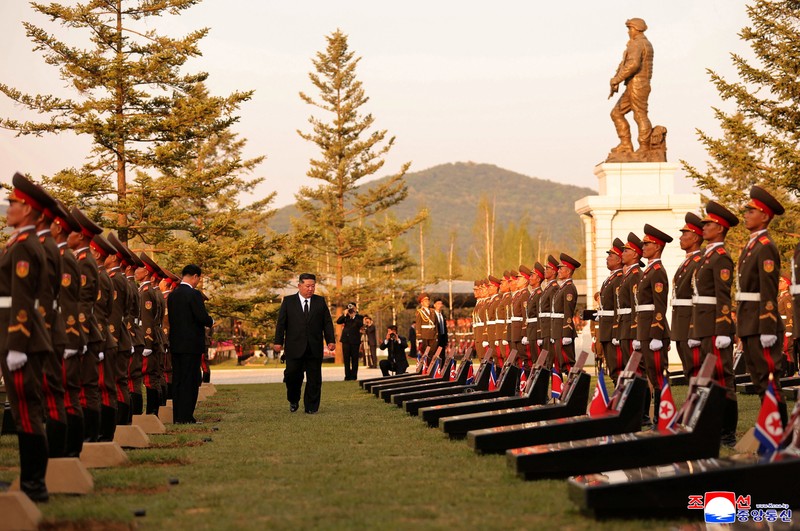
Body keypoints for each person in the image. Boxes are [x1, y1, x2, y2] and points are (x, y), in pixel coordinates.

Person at [0, 173, 54, 502]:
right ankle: (32, 483)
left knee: (26, 412)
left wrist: (16, 345)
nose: (8, 208)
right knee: (25, 412)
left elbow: (22, 298)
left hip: (22, 340)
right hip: (22, 337)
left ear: (29, 210)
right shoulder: (22, 243)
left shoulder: (24, 247)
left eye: (13, 204)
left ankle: (34, 485)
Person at [737, 186, 788, 427]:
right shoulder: (752, 246)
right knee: (759, 380)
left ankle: (780, 431)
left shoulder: (765, 246)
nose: (746, 215)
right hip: (750, 321)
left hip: (761, 323)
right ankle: (771, 428)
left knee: (769, 380)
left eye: (751, 211)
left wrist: (768, 326)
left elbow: (768, 289)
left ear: (765, 216)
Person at [690, 201, 738, 446]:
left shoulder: (720, 258)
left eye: (708, 224)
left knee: (723, 377)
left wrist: (722, 329)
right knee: (709, 377)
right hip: (704, 324)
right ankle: (714, 425)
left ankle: (727, 432)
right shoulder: (707, 257)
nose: (704, 227)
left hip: (715, 326)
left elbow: (723, 296)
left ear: (720, 228)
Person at [273, 273, 335, 414]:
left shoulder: (320, 301)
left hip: (314, 346)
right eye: (307, 286)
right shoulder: (288, 302)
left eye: (313, 286)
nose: (310, 289)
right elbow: (281, 324)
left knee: (314, 379)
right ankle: (293, 399)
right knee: (292, 376)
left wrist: (330, 340)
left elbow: (327, 322)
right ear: (299, 286)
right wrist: (278, 342)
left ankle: (311, 407)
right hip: (294, 347)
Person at [633, 224, 673, 427]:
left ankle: (662, 417)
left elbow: (660, 305)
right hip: (645, 329)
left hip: (653, 331)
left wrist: (656, 334)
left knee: (658, 376)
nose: (643, 247)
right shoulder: (648, 271)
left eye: (646, 244)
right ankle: (658, 417)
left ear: (657, 247)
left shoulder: (657, 271)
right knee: (651, 373)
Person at [167, 264, 214, 424]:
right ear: (195, 276)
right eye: (198, 279)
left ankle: (177, 416)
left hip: (176, 343)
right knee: (191, 381)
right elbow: (201, 317)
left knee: (178, 380)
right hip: (191, 345)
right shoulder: (193, 294)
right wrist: (211, 321)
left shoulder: (173, 295)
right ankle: (186, 416)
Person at [609, 17, 654, 155]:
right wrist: (617, 79)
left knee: (640, 115)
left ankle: (644, 147)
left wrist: (617, 79)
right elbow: (627, 64)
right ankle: (625, 144)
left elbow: (633, 65)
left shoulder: (638, 44)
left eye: (630, 28)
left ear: (636, 29)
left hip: (638, 84)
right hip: (634, 84)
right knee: (616, 113)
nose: (629, 32)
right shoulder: (639, 43)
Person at [672, 213, 704, 382]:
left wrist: (695, 329)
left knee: (696, 371)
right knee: (689, 371)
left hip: (690, 323)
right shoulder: (687, 262)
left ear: (696, 238)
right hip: (681, 322)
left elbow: (698, 297)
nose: (681, 237)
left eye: (685, 234)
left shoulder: (698, 261)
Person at [598, 238, 624, 381]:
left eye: (611, 256)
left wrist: (616, 331)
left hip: (612, 329)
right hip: (605, 328)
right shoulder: (610, 279)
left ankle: (620, 392)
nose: (607, 258)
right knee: (612, 368)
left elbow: (618, 306)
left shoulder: (619, 278)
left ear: (619, 260)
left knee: (617, 366)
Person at [551, 253, 581, 372]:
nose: (558, 271)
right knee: (560, 363)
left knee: (567, 363)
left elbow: (568, 311)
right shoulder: (563, 287)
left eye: (561, 269)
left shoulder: (569, 288)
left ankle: (573, 384)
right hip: (558, 329)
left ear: (568, 272)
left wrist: (567, 333)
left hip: (563, 330)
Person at [336, 301, 364, 381]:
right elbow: (338, 321)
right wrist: (345, 314)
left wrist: (354, 316)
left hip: (355, 341)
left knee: (355, 359)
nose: (351, 310)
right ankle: (347, 376)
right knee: (346, 359)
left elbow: (360, 324)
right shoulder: (346, 317)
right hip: (346, 340)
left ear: (355, 308)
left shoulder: (359, 317)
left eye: (352, 308)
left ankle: (354, 376)